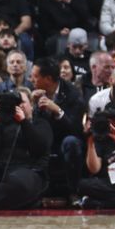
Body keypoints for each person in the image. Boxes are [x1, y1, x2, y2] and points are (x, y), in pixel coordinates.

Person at [30, 57, 86, 203]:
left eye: (35, 76)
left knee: (71, 142)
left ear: (48, 79)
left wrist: (58, 111)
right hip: (45, 139)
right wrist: (33, 106)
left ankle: (74, 192)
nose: (31, 79)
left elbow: (75, 130)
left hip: (65, 141)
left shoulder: (73, 94)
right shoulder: (35, 92)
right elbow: (33, 126)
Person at [0, 87, 52, 209]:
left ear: (31, 105)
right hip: (0, 170)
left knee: (17, 183)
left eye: (22, 103)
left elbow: (40, 149)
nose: (18, 106)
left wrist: (24, 122)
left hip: (27, 172)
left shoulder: (40, 123)